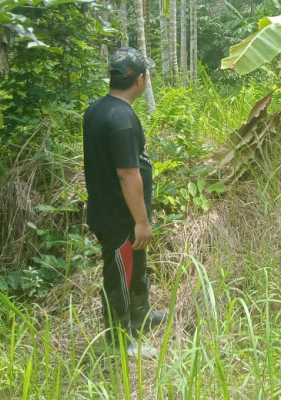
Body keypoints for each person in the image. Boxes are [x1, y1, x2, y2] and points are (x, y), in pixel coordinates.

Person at [83, 47, 167, 357]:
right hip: (120, 217)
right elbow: (127, 173)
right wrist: (141, 222)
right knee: (119, 277)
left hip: (116, 210)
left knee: (135, 268)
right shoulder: (122, 119)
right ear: (140, 80)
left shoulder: (98, 109)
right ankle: (120, 341)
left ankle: (141, 317)